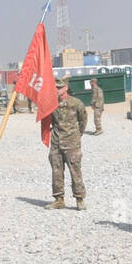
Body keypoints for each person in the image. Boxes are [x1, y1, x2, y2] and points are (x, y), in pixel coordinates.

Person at [46, 78, 87, 210]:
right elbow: (50, 121)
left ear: (66, 88)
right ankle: (59, 199)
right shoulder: (52, 104)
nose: (56, 90)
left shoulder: (76, 103)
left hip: (72, 143)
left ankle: (79, 199)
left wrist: (75, 135)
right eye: (55, 88)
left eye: (59, 88)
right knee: (56, 171)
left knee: (75, 171)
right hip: (56, 143)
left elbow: (83, 121)